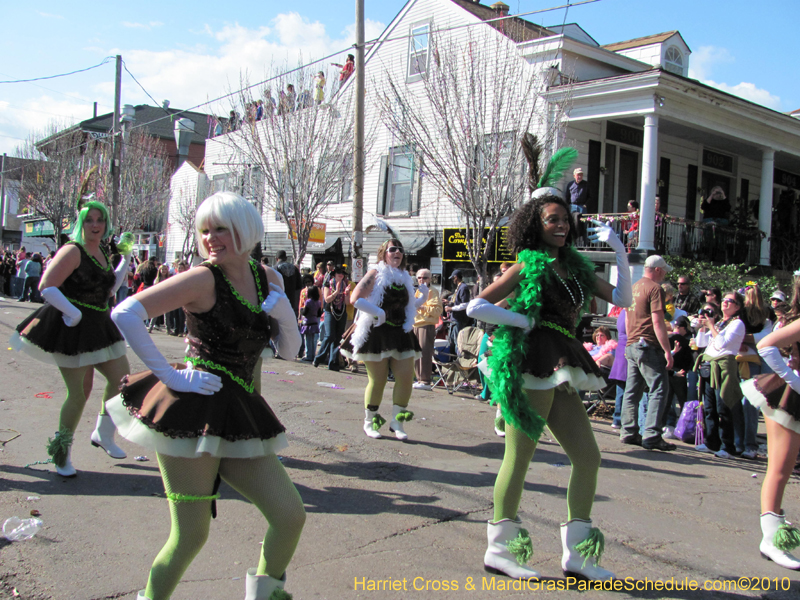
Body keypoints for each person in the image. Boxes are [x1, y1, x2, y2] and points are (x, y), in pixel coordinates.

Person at [106, 192, 304, 599]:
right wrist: (171, 376)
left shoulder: (269, 277)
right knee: (191, 535)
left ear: (244, 230)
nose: (211, 238)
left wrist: (287, 319)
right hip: (193, 412)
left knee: (289, 516)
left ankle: (264, 594)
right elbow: (125, 313)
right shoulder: (201, 278)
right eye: (205, 230)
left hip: (243, 414)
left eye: (221, 229)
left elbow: (289, 352)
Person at [466, 137, 632, 581]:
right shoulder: (527, 264)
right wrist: (520, 322)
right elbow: (476, 307)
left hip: (563, 365)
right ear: (534, 226)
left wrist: (619, 252)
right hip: (533, 360)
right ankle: (500, 549)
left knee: (589, 457)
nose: (561, 226)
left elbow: (621, 298)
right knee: (519, 458)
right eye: (552, 220)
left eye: (565, 219)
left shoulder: (576, 267)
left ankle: (578, 555)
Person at [10, 201, 132, 476]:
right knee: (79, 393)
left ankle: (103, 432)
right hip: (72, 328)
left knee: (123, 379)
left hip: (100, 325)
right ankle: (61, 452)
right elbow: (46, 286)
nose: (96, 225)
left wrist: (124, 261)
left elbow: (108, 288)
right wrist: (73, 312)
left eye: (100, 220)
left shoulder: (102, 250)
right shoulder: (72, 250)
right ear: (81, 223)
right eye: (90, 220)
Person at [740, 277, 800, 570]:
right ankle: (773, 540)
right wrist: (795, 382)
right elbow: (766, 346)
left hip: (788, 391)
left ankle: (774, 532)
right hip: (787, 396)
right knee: (779, 469)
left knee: (779, 469)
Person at [341, 239, 427, 441]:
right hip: (377, 333)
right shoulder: (375, 273)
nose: (397, 252)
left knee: (406, 379)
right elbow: (355, 298)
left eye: (400, 249)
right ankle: (370, 422)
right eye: (392, 249)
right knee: (378, 380)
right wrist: (378, 311)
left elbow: (406, 307)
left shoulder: (405, 277)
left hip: (401, 333)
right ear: (384, 253)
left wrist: (421, 299)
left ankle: (397, 422)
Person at [694, 292, 746, 457]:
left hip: (724, 366)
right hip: (710, 364)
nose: (725, 303)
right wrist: (703, 328)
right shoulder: (721, 323)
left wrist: (711, 327)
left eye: (730, 301)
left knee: (723, 406)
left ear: (737, 306)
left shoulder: (737, 324)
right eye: (724, 300)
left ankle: (727, 446)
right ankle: (712, 442)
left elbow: (722, 344)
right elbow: (702, 343)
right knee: (709, 406)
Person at [738, 283, 773, 459]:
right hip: (758, 358)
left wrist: (745, 339)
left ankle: (748, 444)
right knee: (755, 402)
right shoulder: (748, 313)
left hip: (756, 358)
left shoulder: (765, 312)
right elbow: (765, 336)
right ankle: (748, 444)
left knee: (754, 402)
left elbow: (765, 335)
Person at [313, 266, 349, 370]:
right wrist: (336, 291)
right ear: (334, 274)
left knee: (338, 338)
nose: (341, 274)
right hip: (330, 312)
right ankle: (319, 358)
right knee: (329, 335)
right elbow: (327, 300)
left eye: (342, 273)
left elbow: (347, 302)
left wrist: (346, 293)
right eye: (338, 272)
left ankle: (333, 363)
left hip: (341, 313)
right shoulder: (328, 284)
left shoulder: (345, 284)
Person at [412, 268, 442, 390]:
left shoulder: (432, 291)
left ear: (430, 279)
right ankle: (419, 379)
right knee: (416, 353)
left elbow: (437, 311)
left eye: (425, 277)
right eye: (419, 277)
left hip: (426, 325)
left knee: (425, 353)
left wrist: (422, 307)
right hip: (416, 324)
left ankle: (425, 380)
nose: (422, 280)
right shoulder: (418, 291)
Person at [444, 269, 471, 355]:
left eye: (453, 279)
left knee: (457, 341)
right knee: (451, 341)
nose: (452, 281)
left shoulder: (463, 288)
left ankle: (458, 360)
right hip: (454, 319)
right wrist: (448, 302)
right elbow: (458, 302)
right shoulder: (459, 287)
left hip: (459, 319)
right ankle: (452, 359)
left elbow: (465, 305)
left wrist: (451, 309)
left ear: (456, 277)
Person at [566, 167, 591, 245]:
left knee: (584, 225)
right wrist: (568, 205)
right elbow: (567, 196)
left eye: (581, 175)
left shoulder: (586, 184)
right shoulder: (570, 184)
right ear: (574, 176)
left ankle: (585, 244)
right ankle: (573, 243)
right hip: (573, 206)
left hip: (582, 207)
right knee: (572, 224)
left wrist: (585, 204)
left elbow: (590, 196)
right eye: (578, 175)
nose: (579, 176)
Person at [299, 284, 322, 363]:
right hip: (315, 321)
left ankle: (308, 355)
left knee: (307, 339)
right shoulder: (318, 302)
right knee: (313, 340)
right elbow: (319, 313)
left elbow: (305, 312)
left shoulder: (308, 302)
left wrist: (301, 310)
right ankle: (312, 355)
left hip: (308, 322)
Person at [275, 250, 302, 317]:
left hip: (279, 301)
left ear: (276, 259)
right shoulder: (294, 268)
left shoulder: (275, 268)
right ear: (286, 258)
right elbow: (299, 286)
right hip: (292, 301)